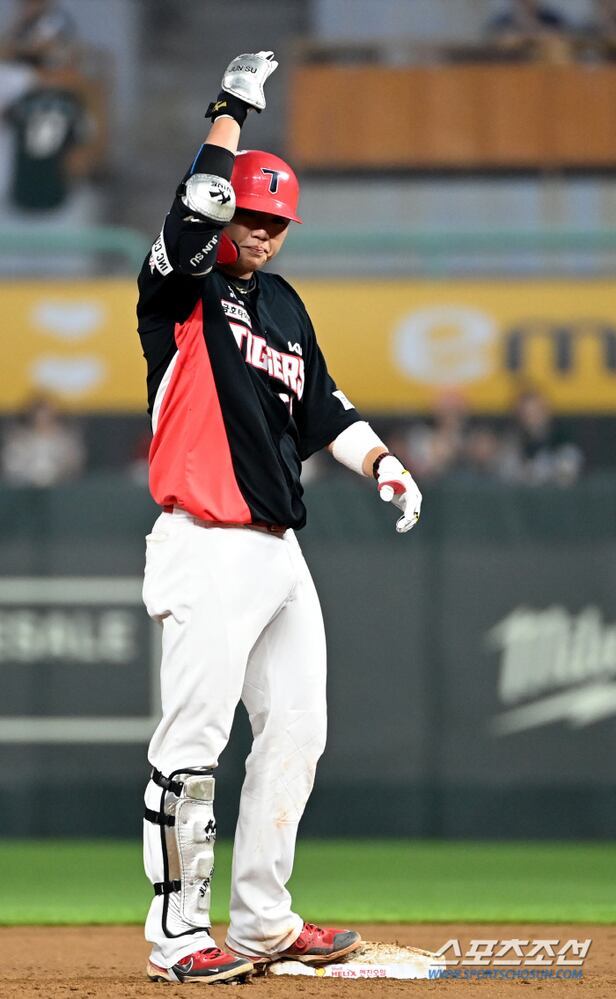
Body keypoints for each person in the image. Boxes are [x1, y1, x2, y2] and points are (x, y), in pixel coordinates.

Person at [136, 50, 422, 985]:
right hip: (203, 538)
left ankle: (263, 919)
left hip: (277, 549)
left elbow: (326, 409)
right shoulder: (179, 288)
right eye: (248, 216)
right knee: (194, 745)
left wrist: (380, 461)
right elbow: (195, 209)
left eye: (273, 221)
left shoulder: (288, 308)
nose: (258, 231)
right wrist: (230, 111)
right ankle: (178, 936)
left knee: (298, 729)